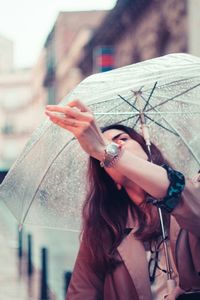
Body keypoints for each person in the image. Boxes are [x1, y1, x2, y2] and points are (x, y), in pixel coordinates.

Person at [45, 100, 200, 300]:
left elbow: (182, 198)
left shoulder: (192, 192)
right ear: (112, 181)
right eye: (105, 153)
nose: (114, 146)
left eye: (122, 138)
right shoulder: (102, 232)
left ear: (147, 152)